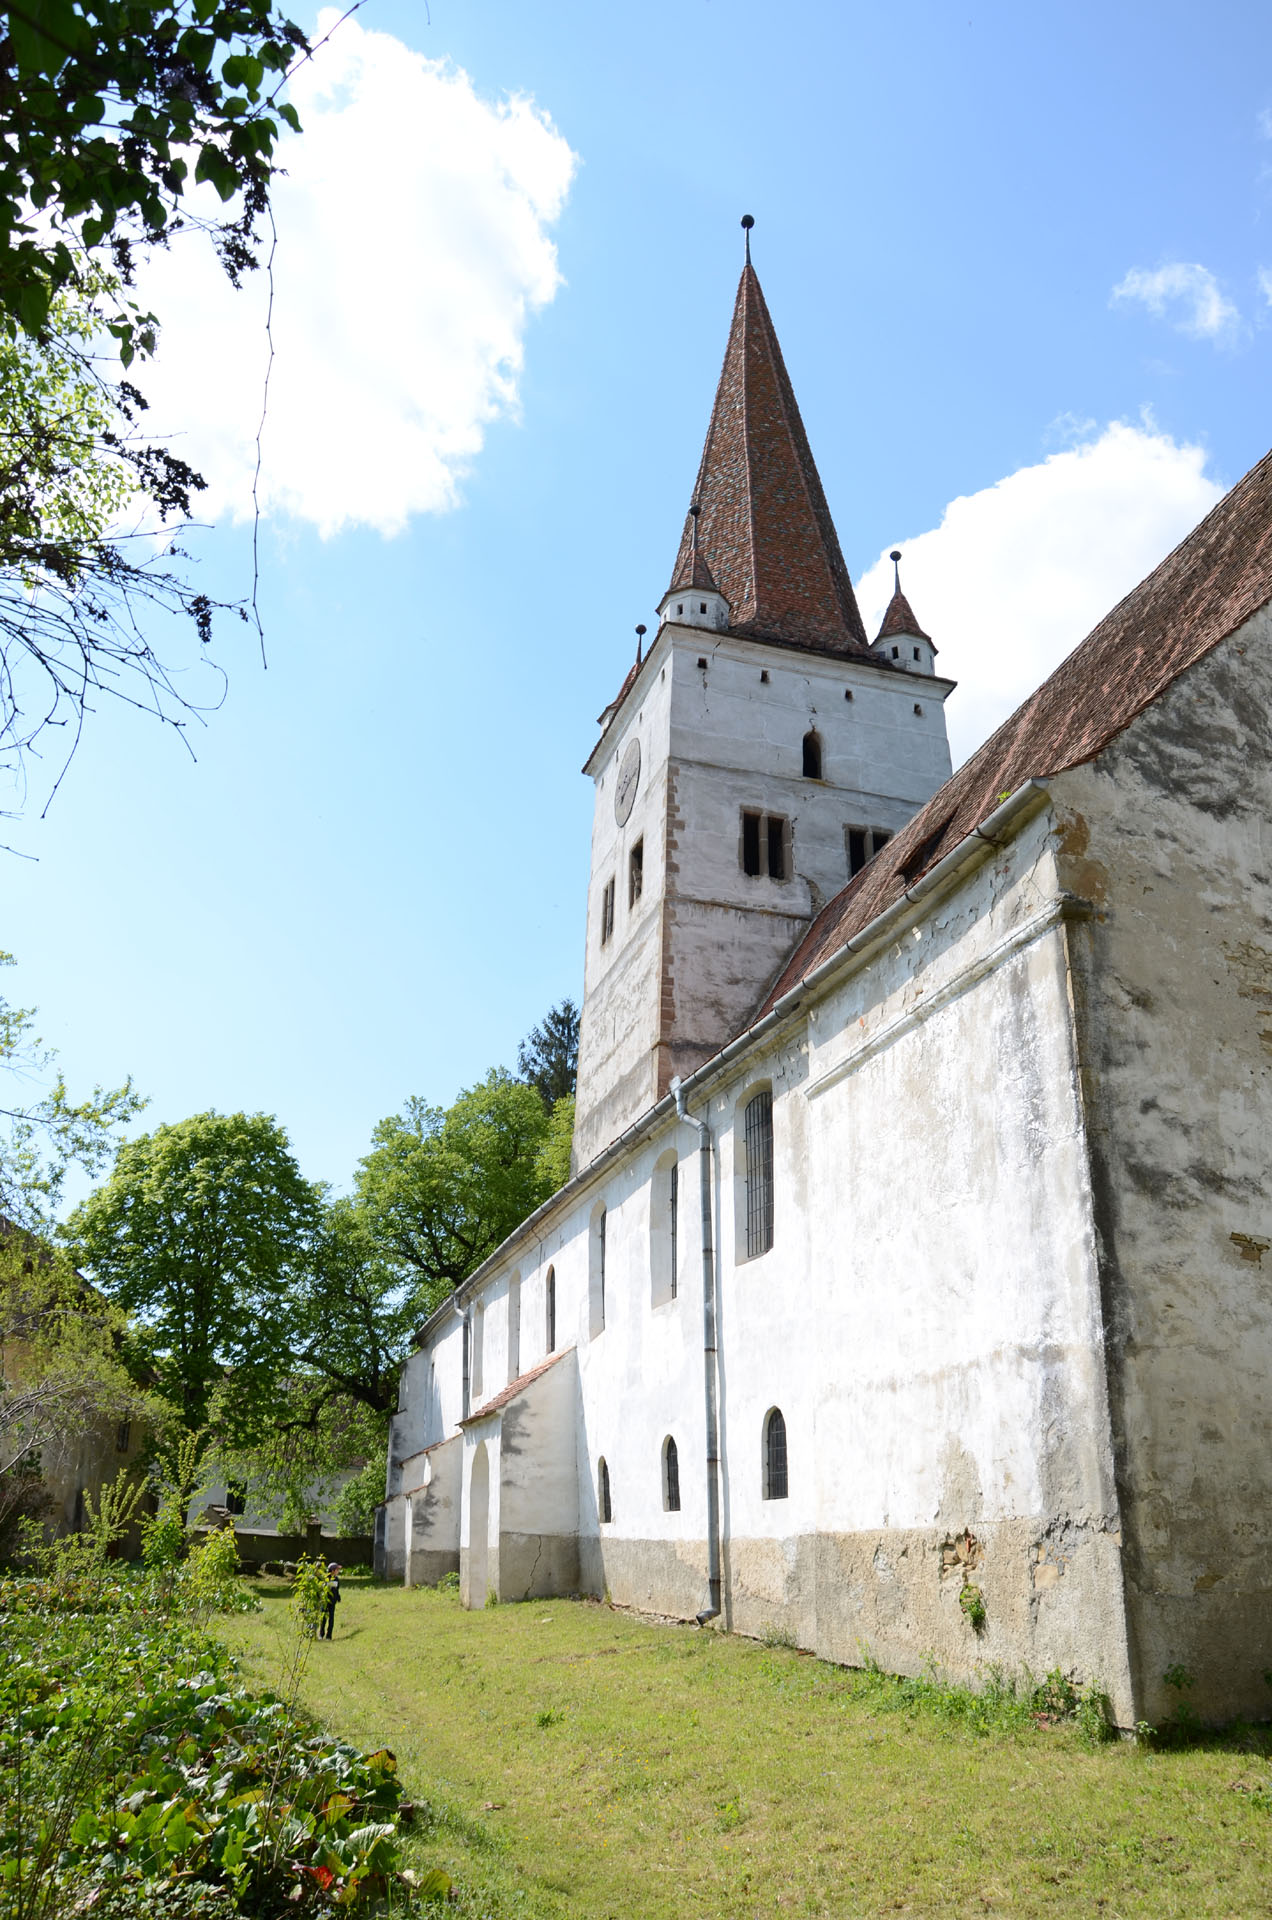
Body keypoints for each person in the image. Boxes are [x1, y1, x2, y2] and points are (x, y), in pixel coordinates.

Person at [319, 1561, 341, 1640]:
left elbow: (337, 1590)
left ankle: (329, 1635)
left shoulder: (337, 1579)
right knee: (323, 1618)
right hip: (325, 1601)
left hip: (332, 1602)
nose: (338, 1571)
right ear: (332, 1570)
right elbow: (321, 1588)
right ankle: (321, 1634)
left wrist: (338, 1597)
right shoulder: (325, 1579)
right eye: (337, 1570)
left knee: (331, 1618)